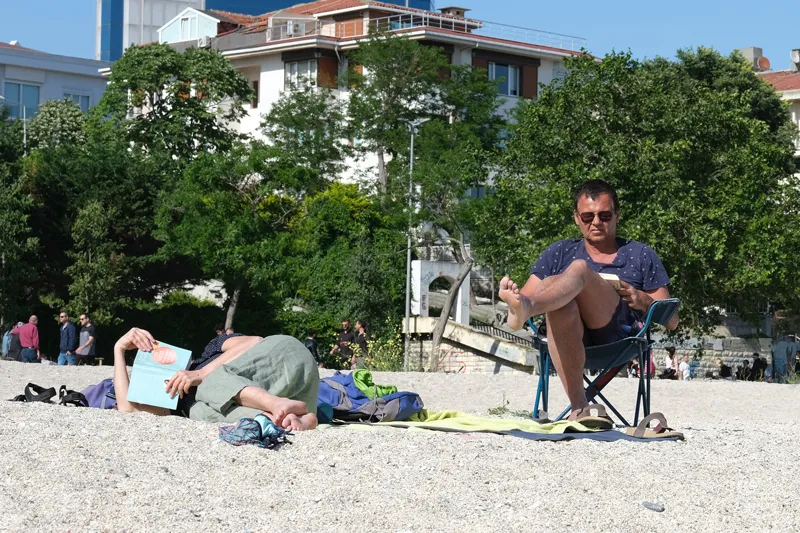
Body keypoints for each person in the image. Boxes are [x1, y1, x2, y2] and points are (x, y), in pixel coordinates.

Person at [498, 180, 678, 427]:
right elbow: (524, 296)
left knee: (579, 270)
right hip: (567, 337)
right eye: (587, 216)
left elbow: (672, 320)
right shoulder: (559, 252)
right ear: (576, 218)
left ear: (617, 215)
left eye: (604, 216)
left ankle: (528, 309)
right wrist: (519, 305)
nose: (596, 222)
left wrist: (643, 299)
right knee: (555, 290)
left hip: (619, 338)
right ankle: (580, 407)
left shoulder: (640, 254)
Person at [112, 327, 318, 431]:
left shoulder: (211, 350)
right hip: (298, 395)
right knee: (202, 412)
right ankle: (289, 420)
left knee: (209, 383)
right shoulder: (183, 408)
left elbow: (255, 341)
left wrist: (201, 373)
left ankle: (275, 404)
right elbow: (128, 410)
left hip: (286, 358)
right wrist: (119, 348)